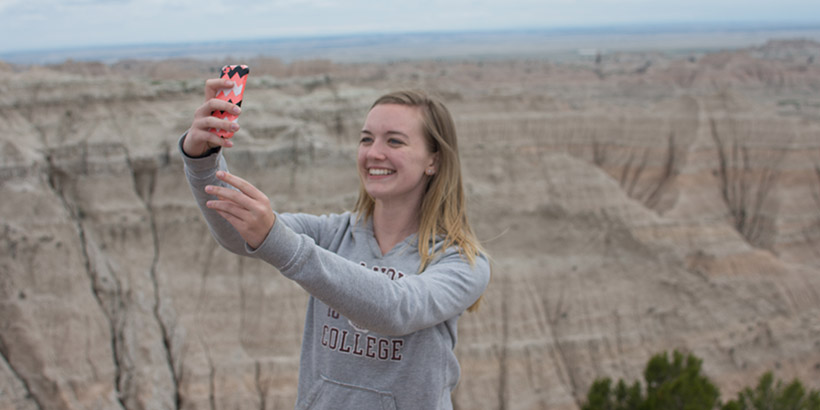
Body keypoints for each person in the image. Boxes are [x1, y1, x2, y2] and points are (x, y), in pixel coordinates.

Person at [179, 76, 491, 410]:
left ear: (434, 160)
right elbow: (239, 235)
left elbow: (397, 309)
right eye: (366, 139)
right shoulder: (332, 234)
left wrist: (282, 244)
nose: (374, 153)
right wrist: (202, 158)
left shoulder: (461, 261)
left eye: (395, 142)